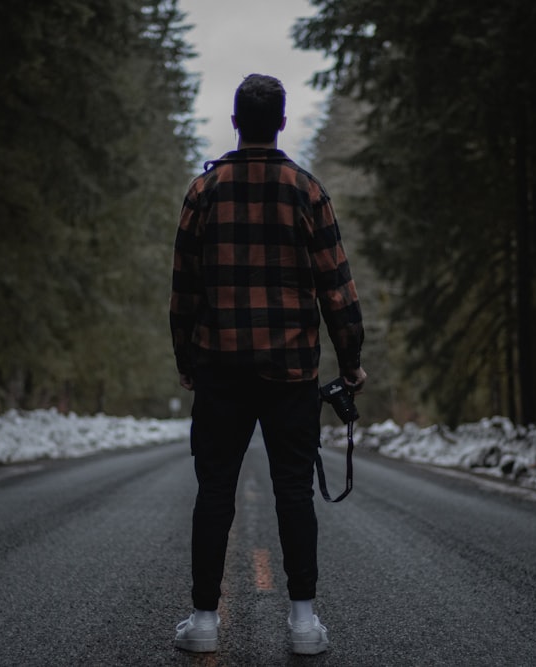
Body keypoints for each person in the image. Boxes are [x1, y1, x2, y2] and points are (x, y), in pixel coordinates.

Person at [169, 73, 366, 656]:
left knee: (214, 492)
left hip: (221, 372)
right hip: (290, 376)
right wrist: (350, 361)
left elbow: (184, 289)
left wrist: (188, 359)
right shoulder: (306, 190)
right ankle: (303, 624)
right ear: (281, 123)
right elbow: (337, 287)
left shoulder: (203, 193)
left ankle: (205, 622)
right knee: (293, 493)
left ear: (235, 121)